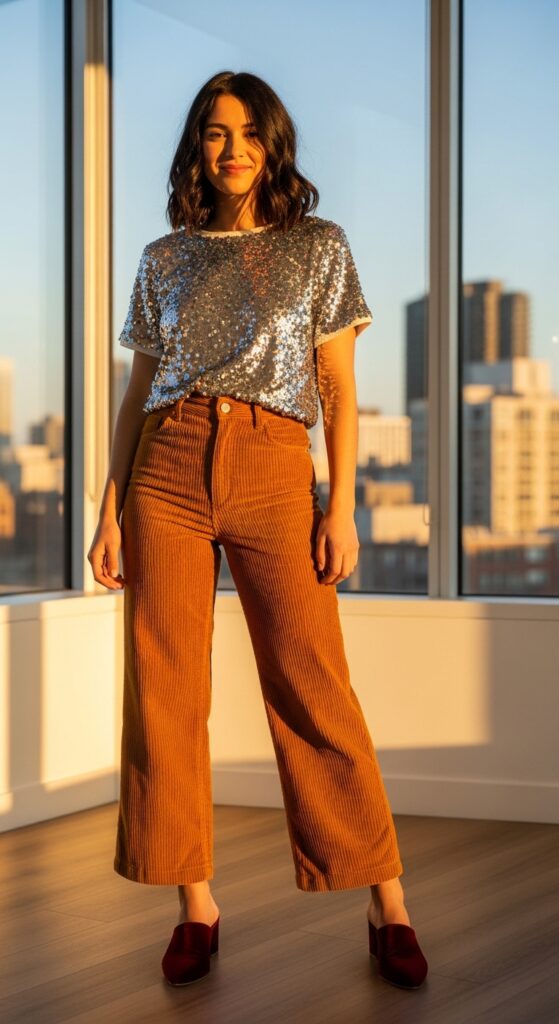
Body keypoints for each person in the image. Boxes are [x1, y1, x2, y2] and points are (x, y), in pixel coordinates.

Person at [88, 70, 428, 991]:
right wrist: (110, 507)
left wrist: (341, 506)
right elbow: (136, 392)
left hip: (275, 463)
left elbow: (338, 389)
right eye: (213, 132)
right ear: (196, 148)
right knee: (165, 688)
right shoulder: (163, 258)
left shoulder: (317, 246)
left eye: (246, 133)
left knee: (312, 683)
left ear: (272, 144)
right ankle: (194, 905)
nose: (230, 149)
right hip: (165, 465)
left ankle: (387, 901)